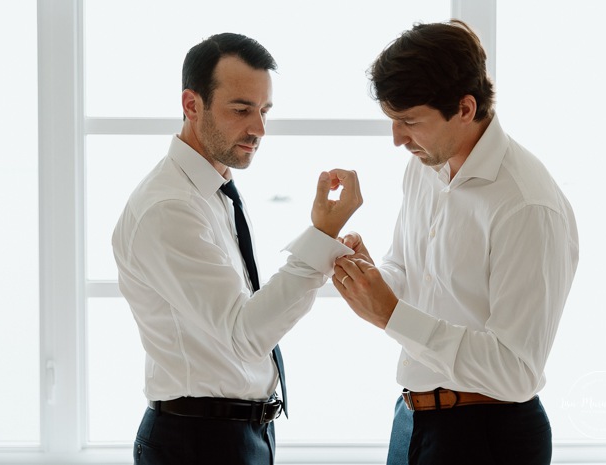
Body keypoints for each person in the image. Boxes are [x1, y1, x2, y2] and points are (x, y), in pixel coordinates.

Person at [333, 20, 579, 465]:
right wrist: (372, 277)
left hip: (489, 435)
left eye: (409, 121)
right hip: (411, 420)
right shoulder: (424, 168)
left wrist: (391, 315)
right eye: (392, 120)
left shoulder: (526, 206)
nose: (397, 139)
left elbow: (515, 370)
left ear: (465, 108)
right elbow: (408, 273)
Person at [112, 32, 362, 465]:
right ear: (192, 105)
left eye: (264, 110)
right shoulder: (170, 208)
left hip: (239, 434)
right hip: (198, 442)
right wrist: (320, 237)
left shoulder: (212, 193)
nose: (259, 129)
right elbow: (245, 336)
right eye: (242, 109)